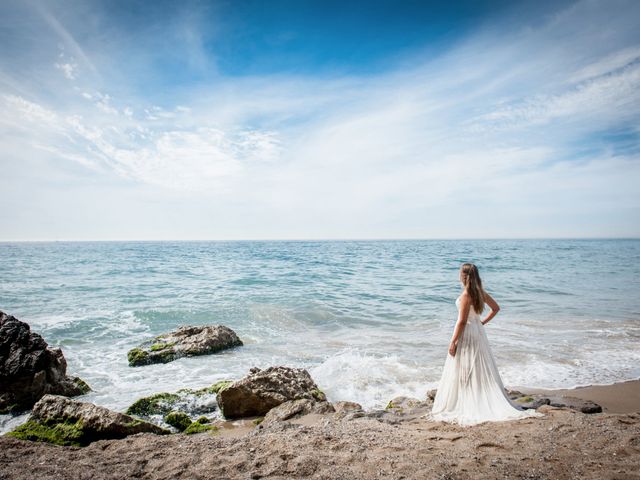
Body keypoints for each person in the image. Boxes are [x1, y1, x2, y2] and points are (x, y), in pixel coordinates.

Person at [428, 263, 544, 426]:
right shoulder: (480, 293)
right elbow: (496, 308)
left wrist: (453, 341)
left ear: (463, 276)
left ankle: (468, 400)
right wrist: (481, 323)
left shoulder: (466, 295)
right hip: (478, 331)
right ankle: (476, 396)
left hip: (467, 332)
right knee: (477, 366)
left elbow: (461, 321)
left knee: (465, 367)